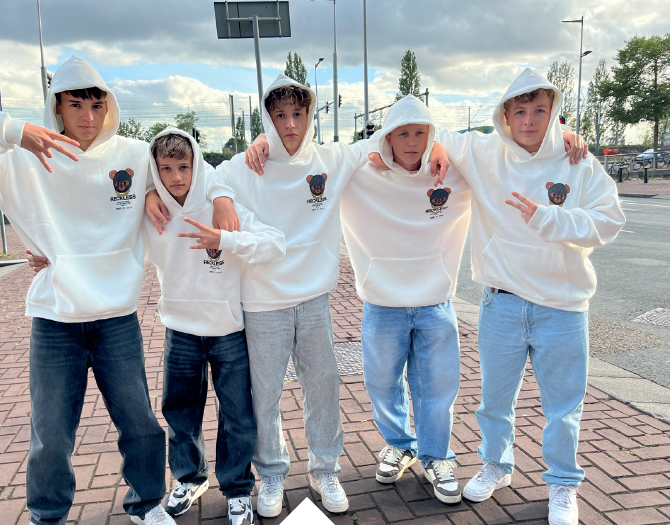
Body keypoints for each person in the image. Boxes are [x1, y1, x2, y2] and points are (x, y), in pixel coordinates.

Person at [0, 56, 236, 525]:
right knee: (51, 434)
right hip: (56, 319)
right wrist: (11, 131)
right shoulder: (24, 158)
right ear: (57, 106)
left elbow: (195, 168)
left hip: (116, 318)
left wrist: (211, 195)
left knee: (139, 423)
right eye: (76, 105)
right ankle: (48, 515)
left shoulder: (134, 154)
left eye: (97, 105)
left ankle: (147, 504)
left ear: (109, 106)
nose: (88, 117)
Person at [145, 74, 446, 517]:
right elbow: (192, 173)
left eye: (298, 114)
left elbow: (392, 141)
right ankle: (271, 474)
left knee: (323, 387)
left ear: (310, 115)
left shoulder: (331, 159)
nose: (289, 124)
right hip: (261, 302)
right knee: (264, 397)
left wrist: (438, 146)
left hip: (314, 300)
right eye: (280, 115)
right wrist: (160, 190)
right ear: (267, 118)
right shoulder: (241, 167)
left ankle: (325, 470)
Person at [433, 68, 625, 525]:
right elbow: (420, 128)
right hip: (501, 302)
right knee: (494, 401)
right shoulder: (484, 152)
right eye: (520, 111)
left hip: (562, 306)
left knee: (564, 407)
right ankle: (496, 465)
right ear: (504, 115)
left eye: (540, 110)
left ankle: (562, 484)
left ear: (554, 112)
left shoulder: (578, 163)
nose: (529, 120)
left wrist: (549, 219)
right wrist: (438, 145)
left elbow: (610, 221)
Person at [143, 128, 285, 525]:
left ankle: (237, 489)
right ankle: (190, 478)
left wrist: (227, 238)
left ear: (197, 166)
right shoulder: (152, 213)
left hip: (227, 330)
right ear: (155, 171)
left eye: (184, 167)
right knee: (180, 413)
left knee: (238, 415)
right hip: (180, 331)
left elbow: (275, 244)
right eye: (166, 169)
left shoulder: (221, 206)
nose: (176, 177)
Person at [340, 95, 472, 504]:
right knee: (381, 382)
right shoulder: (360, 174)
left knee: (437, 385)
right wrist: (263, 140)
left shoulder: (453, 173)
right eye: (402, 134)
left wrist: (562, 134)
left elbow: (499, 149)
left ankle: (437, 456)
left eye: (420, 133)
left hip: (435, 301)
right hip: (382, 302)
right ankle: (399, 444)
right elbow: (314, 156)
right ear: (387, 138)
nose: (412, 142)